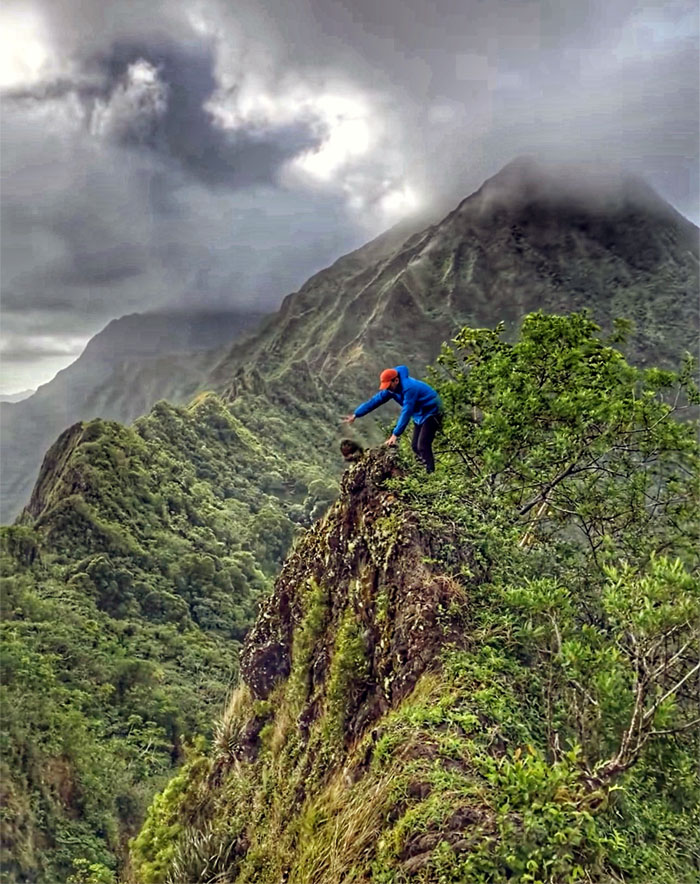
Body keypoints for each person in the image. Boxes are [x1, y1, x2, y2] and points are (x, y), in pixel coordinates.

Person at [343, 366, 442, 473]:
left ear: (396, 380)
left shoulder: (409, 388)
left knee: (423, 445)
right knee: (415, 446)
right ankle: (422, 472)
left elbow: (407, 411)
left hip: (433, 411)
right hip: (419, 415)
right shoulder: (391, 390)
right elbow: (375, 401)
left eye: (389, 386)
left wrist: (395, 434)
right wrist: (356, 414)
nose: (387, 388)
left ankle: (430, 475)